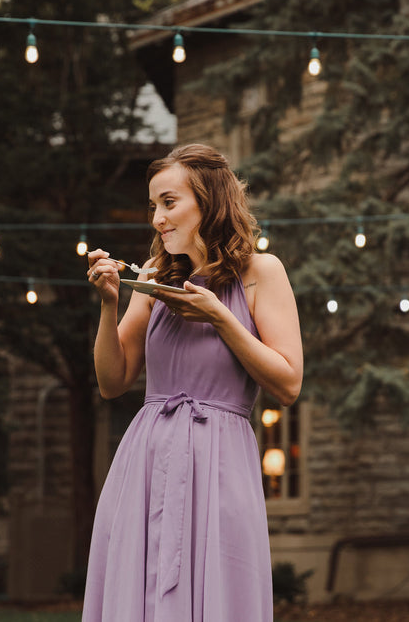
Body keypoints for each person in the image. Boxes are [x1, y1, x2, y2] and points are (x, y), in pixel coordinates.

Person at [82, 143, 304, 622]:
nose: (157, 219)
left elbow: (288, 384)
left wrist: (221, 318)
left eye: (169, 202)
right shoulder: (157, 277)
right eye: (152, 207)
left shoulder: (261, 274)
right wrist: (108, 304)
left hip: (220, 463)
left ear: (208, 201)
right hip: (147, 458)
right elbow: (112, 380)